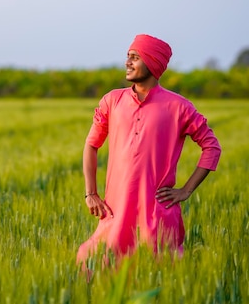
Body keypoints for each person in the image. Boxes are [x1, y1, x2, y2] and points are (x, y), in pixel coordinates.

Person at [76, 34, 221, 263]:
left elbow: (212, 146)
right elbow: (91, 145)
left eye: (135, 57)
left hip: (157, 215)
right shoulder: (112, 101)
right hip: (115, 211)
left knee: (160, 273)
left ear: (152, 63)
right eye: (128, 56)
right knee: (95, 264)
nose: (127, 62)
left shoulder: (179, 107)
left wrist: (186, 191)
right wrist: (91, 192)